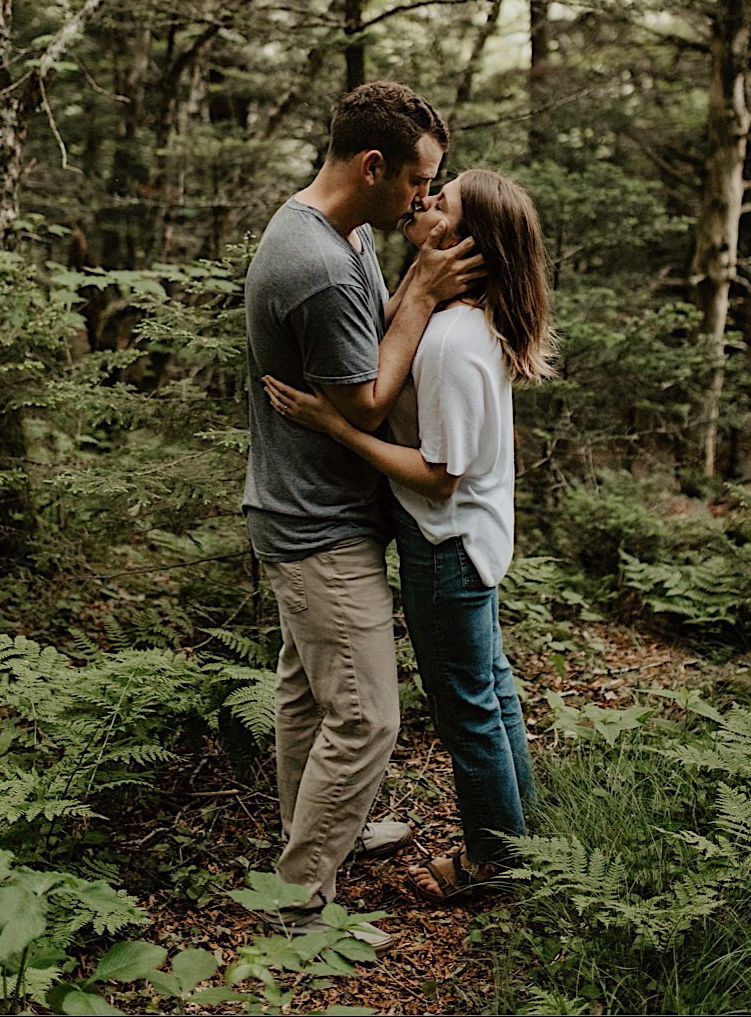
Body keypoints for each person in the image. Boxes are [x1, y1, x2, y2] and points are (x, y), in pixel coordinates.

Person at [264, 166, 554, 902]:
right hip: (465, 539)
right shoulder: (451, 319)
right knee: (491, 690)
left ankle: (493, 864)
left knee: (468, 711)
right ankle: (525, 841)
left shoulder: (454, 341)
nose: (424, 200)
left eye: (441, 199)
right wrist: (420, 286)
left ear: (459, 240)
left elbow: (438, 476)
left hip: (445, 546)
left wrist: (335, 426)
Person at [239, 81, 480, 941]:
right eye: (419, 180)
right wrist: (423, 293)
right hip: (317, 525)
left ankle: (316, 835)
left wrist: (408, 287)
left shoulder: (340, 230)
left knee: (308, 694)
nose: (424, 197)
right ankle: (301, 896)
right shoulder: (318, 265)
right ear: (373, 165)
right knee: (370, 715)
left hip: (301, 508)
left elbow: (365, 339)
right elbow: (368, 401)